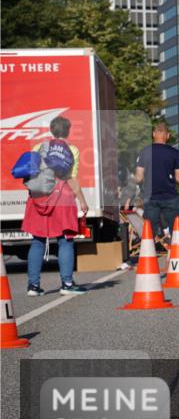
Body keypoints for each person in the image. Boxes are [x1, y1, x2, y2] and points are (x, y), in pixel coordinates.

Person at [21, 116, 88, 296]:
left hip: (38, 198)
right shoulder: (72, 150)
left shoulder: (38, 147)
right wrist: (82, 200)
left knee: (37, 241)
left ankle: (33, 286)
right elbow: (70, 178)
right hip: (62, 198)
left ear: (51, 130)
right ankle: (67, 284)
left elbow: (30, 173)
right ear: (68, 130)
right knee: (65, 240)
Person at [134, 121, 179, 241]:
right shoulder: (174, 153)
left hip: (151, 197)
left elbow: (138, 177)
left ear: (153, 134)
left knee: (149, 232)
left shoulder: (145, 151)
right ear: (167, 136)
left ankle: (149, 251)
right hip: (170, 197)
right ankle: (176, 251)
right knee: (176, 231)